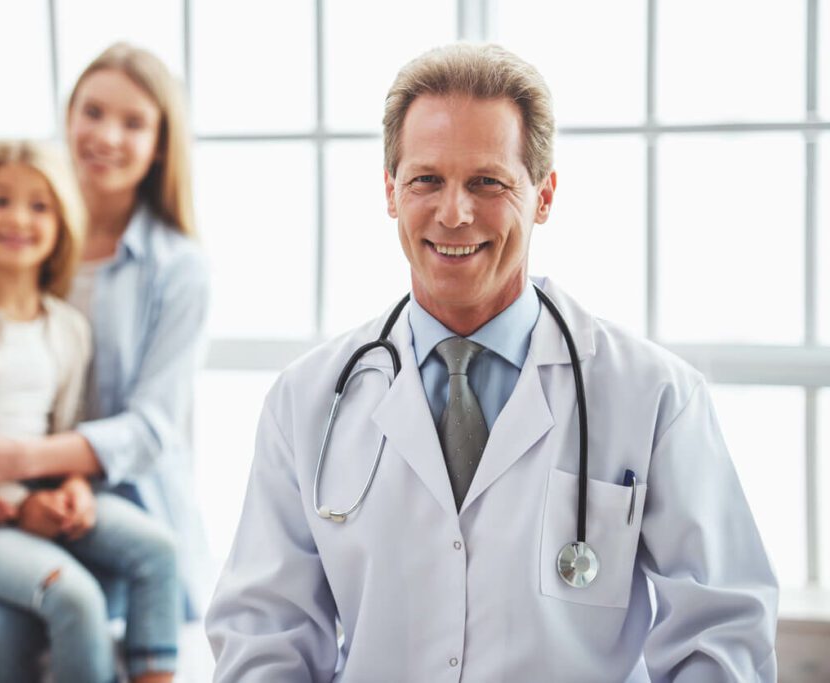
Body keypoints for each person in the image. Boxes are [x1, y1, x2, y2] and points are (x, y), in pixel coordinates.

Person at [205, 43, 778, 682]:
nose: (454, 213)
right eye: (426, 179)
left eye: (488, 181)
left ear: (544, 196)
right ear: (391, 192)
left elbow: (721, 634)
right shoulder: (305, 402)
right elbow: (265, 634)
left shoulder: (654, 397)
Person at [0, 43, 209, 682]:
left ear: (162, 144)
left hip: (99, 502)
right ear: (68, 116)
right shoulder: (20, 237)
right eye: (93, 112)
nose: (107, 135)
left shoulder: (174, 268)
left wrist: (21, 466)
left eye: (134, 123)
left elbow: (152, 427)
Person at [0, 139, 180, 683]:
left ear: (60, 223)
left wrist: (73, 484)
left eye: (39, 205)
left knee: (159, 552)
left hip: (38, 501)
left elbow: (63, 432)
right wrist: (17, 509)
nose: (18, 219)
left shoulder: (67, 329)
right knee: (73, 597)